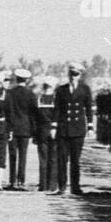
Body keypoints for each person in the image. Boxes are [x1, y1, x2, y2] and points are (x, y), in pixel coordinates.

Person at [52, 62, 94, 194]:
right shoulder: (61, 89)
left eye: (75, 74)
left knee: (75, 160)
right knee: (62, 159)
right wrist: (54, 125)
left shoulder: (85, 89)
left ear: (80, 75)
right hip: (64, 128)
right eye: (71, 74)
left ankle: (75, 186)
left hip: (78, 128)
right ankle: (62, 186)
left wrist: (91, 126)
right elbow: (57, 109)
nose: (73, 77)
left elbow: (88, 108)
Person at [5, 68, 36, 190]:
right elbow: (33, 112)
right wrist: (33, 130)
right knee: (23, 155)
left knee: (12, 154)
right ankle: (21, 181)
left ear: (16, 79)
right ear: (27, 80)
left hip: (12, 127)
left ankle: (12, 181)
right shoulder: (30, 94)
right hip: (25, 127)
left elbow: (7, 111)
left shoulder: (9, 93)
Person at [34, 75, 58, 191]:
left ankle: (42, 184)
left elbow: (35, 117)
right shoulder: (56, 99)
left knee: (43, 158)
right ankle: (52, 185)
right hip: (54, 130)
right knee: (53, 158)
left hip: (41, 130)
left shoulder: (39, 99)